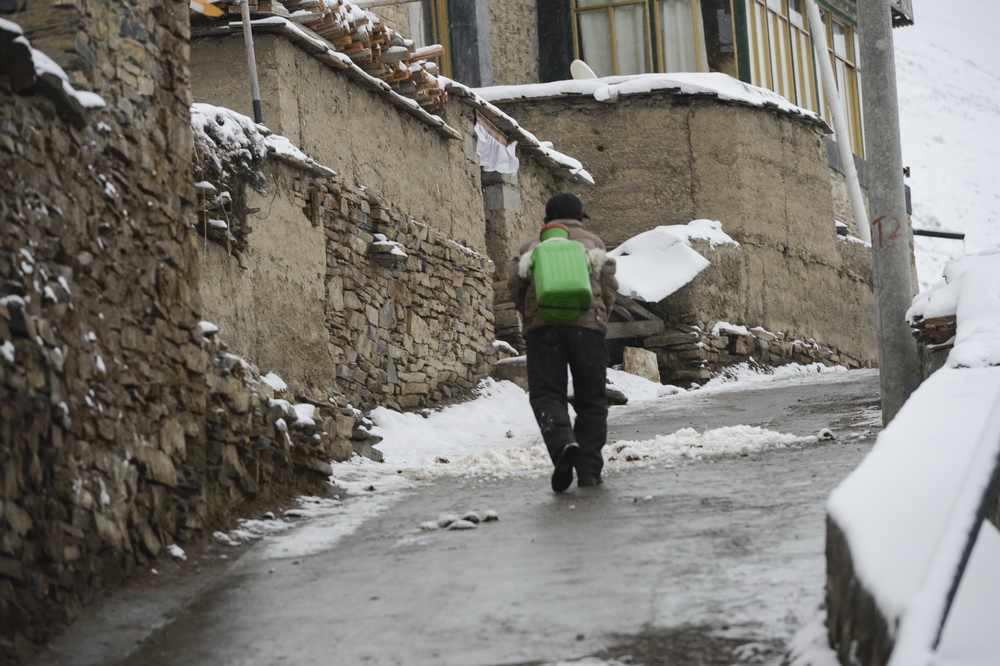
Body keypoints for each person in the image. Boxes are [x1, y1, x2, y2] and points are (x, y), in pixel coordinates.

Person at [507, 193, 618, 492]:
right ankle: (590, 471)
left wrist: (528, 316)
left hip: (544, 329)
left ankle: (563, 444)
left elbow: (515, 284)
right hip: (588, 329)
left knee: (546, 395)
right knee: (592, 399)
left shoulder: (532, 246)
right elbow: (608, 284)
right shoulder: (593, 242)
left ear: (547, 220)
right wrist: (600, 317)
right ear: (580, 216)